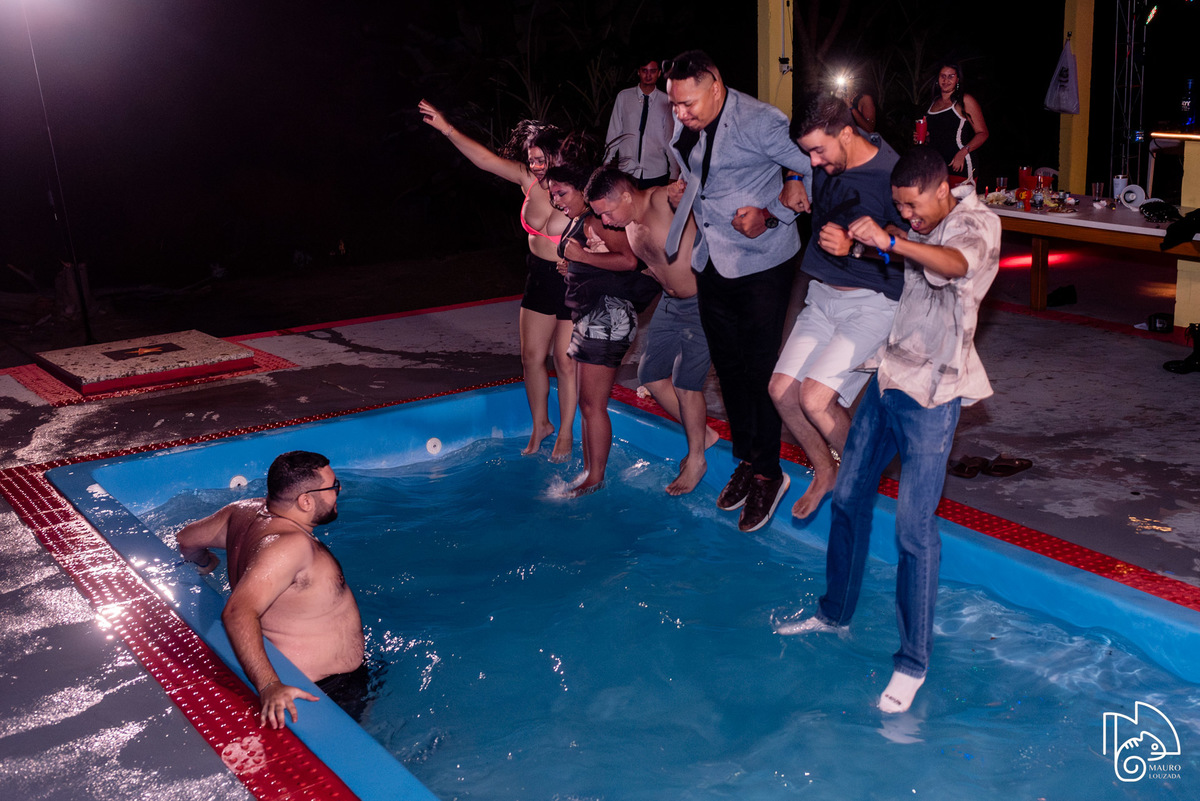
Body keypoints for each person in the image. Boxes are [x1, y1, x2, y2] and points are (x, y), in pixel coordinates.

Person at [775, 146, 1001, 715]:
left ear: (941, 187)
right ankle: (833, 613)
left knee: (912, 529)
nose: (908, 215)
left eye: (912, 205)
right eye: (900, 208)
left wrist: (893, 240)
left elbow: (952, 264)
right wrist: (861, 246)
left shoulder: (977, 222)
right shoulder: (923, 223)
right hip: (888, 376)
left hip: (933, 393)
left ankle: (912, 664)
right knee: (848, 496)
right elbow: (908, 256)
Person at [664, 49, 813, 533]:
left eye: (687, 104)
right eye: (675, 106)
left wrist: (772, 213)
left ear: (716, 84)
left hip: (762, 260)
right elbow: (704, 174)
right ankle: (748, 459)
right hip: (713, 258)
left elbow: (815, 167)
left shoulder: (761, 121)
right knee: (727, 368)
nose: (681, 114)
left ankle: (771, 472)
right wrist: (684, 189)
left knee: (759, 367)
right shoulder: (690, 119)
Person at [770, 95, 907, 522]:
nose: (812, 160)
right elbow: (796, 157)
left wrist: (858, 248)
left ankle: (861, 483)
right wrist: (793, 174)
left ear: (846, 133)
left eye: (817, 150)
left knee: (814, 399)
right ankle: (827, 470)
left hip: (872, 303)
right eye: (806, 153)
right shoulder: (821, 160)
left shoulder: (891, 174)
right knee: (781, 393)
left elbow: (912, 251)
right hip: (822, 297)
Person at [418, 100, 578, 462]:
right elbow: (485, 160)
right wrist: (447, 129)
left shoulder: (577, 186)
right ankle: (542, 425)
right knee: (531, 356)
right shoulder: (528, 182)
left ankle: (566, 431)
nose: (535, 167)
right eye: (531, 159)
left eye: (541, 159)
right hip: (538, 276)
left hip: (571, 281)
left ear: (558, 156)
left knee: (564, 361)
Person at [177, 451, 365, 728]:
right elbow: (238, 612)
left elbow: (186, 539)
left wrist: (206, 563)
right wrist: (269, 686)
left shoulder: (242, 512)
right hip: (322, 690)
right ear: (306, 501)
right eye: (334, 487)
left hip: (314, 676)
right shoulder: (289, 546)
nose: (339, 492)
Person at [585, 167, 720, 495]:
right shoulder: (630, 224)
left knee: (686, 382)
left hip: (704, 301)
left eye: (607, 211)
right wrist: (600, 254)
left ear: (627, 196)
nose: (605, 221)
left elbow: (693, 189)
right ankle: (703, 435)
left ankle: (697, 458)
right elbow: (651, 265)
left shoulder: (663, 199)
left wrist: (683, 191)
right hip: (671, 304)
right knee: (651, 375)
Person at [548, 163, 660, 497]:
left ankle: (595, 477)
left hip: (607, 315)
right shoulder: (583, 220)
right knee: (587, 403)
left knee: (593, 404)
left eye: (561, 193)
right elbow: (599, 262)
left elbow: (627, 260)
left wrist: (581, 255)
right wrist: (575, 264)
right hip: (591, 316)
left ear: (583, 190)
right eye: (552, 194)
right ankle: (589, 471)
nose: (556, 200)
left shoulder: (597, 219)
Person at [606, 59, 679, 189]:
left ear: (659, 73)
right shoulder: (624, 97)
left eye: (653, 71)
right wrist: (606, 161)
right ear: (639, 72)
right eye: (644, 71)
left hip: (656, 171)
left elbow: (670, 138)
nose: (648, 75)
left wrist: (674, 172)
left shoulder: (666, 101)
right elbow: (614, 131)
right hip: (627, 171)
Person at [924, 61, 989, 185]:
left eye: (951, 76)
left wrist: (963, 152)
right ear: (937, 78)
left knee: (962, 204)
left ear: (958, 79)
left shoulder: (965, 101)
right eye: (942, 76)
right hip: (937, 169)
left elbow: (983, 133)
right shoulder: (932, 103)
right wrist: (924, 139)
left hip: (960, 166)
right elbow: (937, 138)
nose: (946, 80)